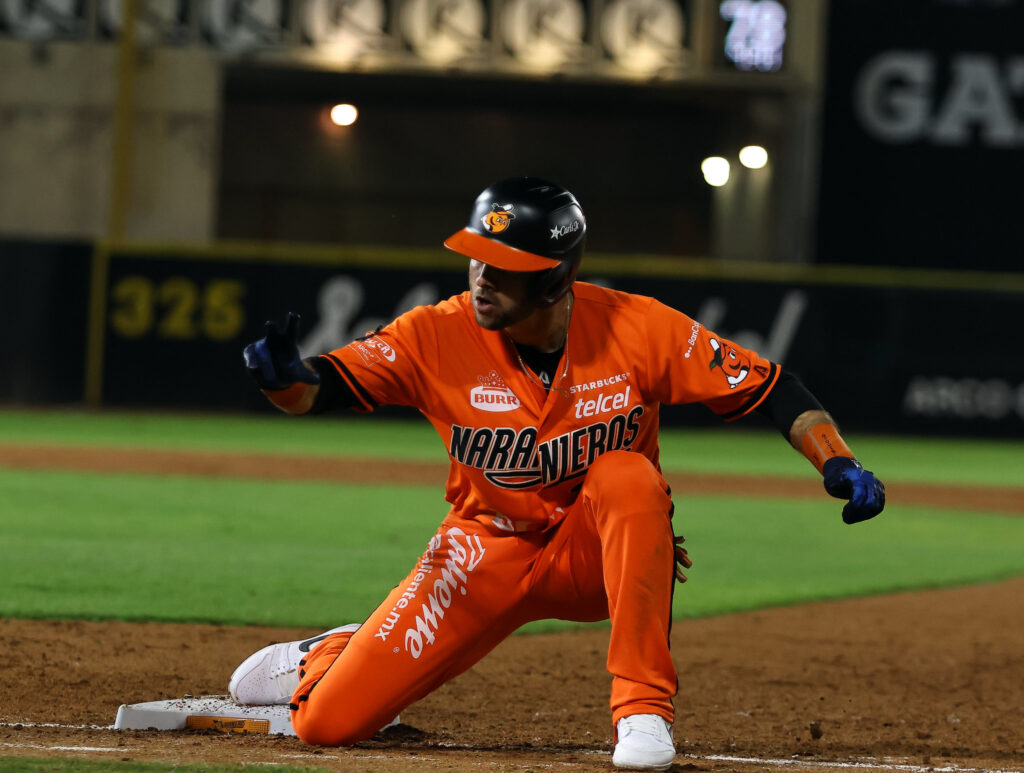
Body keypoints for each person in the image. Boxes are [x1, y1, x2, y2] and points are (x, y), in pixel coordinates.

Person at [232, 177, 885, 771]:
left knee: (627, 476)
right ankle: (336, 649)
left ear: (553, 279)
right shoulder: (435, 334)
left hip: (590, 558)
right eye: (476, 255)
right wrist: (284, 381)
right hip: (480, 550)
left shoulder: (637, 328)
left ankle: (642, 712)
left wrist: (838, 459)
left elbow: (771, 386)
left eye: (504, 267)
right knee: (325, 723)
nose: (481, 276)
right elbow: (322, 387)